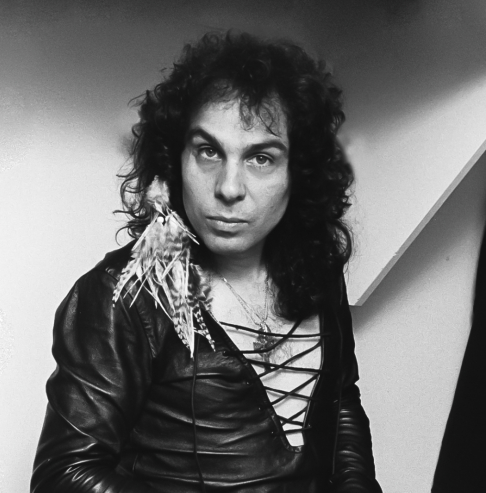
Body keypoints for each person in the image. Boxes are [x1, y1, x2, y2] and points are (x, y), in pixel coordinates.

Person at [31, 31, 382, 493]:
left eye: (261, 158)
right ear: (174, 161)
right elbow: (64, 477)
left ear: (298, 172)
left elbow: (341, 404)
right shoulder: (123, 296)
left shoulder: (318, 271)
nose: (229, 188)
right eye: (209, 151)